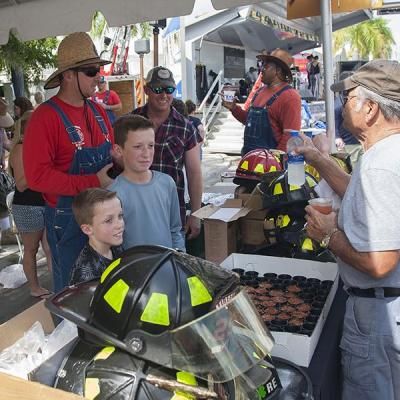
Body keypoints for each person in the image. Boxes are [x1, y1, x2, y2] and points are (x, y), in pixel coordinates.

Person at [297, 59, 400, 400]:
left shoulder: (381, 165)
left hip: (377, 315)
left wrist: (327, 234)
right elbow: (359, 192)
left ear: (370, 109)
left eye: (349, 97)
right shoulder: (386, 153)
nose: (342, 107)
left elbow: (380, 261)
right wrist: (319, 159)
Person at [23, 32, 115, 292]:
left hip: (105, 217)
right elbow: (37, 177)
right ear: (68, 75)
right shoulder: (45, 118)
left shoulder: (97, 112)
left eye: (98, 69)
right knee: (73, 295)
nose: (98, 76)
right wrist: (93, 181)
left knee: (108, 290)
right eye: (90, 70)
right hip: (67, 221)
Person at [132, 66, 202, 240]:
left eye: (169, 89)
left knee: (172, 263)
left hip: (172, 213)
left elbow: (194, 173)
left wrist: (196, 214)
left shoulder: (185, 126)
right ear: (147, 90)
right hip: (135, 211)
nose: (164, 95)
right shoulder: (131, 122)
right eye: (158, 89)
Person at [109, 115, 185, 251]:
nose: (146, 154)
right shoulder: (113, 194)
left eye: (151, 146)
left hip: (168, 266)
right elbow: (114, 244)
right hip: (135, 269)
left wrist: (180, 260)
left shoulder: (167, 183)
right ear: (118, 150)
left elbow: (175, 230)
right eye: (138, 147)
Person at [222, 48, 301, 155]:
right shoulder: (260, 91)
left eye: (266, 66)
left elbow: (290, 137)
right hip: (249, 158)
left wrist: (276, 162)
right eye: (262, 65)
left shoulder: (290, 97)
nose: (261, 69)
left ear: (277, 70)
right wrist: (234, 108)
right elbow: (249, 121)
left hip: (271, 166)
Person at [8, 110, 53, 298]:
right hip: (27, 205)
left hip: (43, 202)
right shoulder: (20, 148)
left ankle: (58, 286)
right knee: (31, 249)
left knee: (50, 248)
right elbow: (21, 183)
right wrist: (41, 166)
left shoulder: (38, 146)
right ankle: (34, 288)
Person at [69, 188, 124, 285]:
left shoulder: (114, 247)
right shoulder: (86, 275)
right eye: (108, 221)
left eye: (120, 216)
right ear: (87, 229)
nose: (119, 225)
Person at [334, 71, 363, 167]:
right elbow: (334, 123)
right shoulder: (339, 104)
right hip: (349, 144)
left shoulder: (345, 101)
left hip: (356, 142)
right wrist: (337, 137)